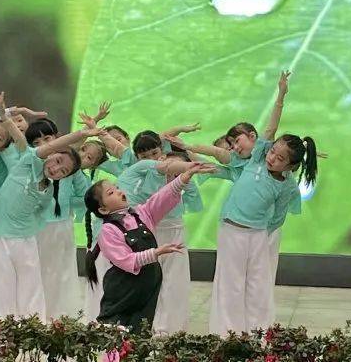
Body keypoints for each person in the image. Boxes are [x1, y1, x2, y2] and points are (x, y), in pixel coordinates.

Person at [207, 71, 318, 335]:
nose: (272, 158)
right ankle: (228, 334)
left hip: (256, 235)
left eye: (280, 159)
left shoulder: (286, 185)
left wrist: (261, 236)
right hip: (230, 229)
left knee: (257, 285)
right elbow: (270, 127)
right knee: (229, 283)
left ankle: (259, 332)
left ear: (290, 166)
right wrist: (281, 95)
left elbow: (278, 217)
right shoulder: (257, 158)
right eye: (272, 152)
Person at [0, 92, 97, 321]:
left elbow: (72, 192)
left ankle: (37, 325)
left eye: (63, 171)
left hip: (26, 237)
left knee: (35, 284)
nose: (56, 168)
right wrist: (82, 133)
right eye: (56, 161)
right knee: (1, 285)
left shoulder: (49, 189)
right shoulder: (29, 160)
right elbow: (19, 136)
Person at [82, 162, 215, 331]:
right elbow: (126, 261)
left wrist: (183, 178)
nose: (119, 192)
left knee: (140, 334)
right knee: (117, 334)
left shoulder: (140, 214)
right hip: (123, 291)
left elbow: (161, 198)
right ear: (103, 209)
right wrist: (156, 253)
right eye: (111, 193)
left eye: (116, 188)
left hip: (146, 290)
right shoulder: (107, 231)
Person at [115, 150, 202, 333]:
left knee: (174, 281)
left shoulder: (183, 185)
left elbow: (195, 204)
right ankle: (141, 324)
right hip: (149, 232)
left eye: (178, 171)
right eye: (173, 167)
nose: (173, 174)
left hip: (174, 231)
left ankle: (169, 328)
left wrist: (187, 178)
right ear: (162, 161)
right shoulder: (147, 174)